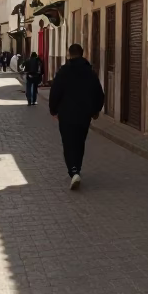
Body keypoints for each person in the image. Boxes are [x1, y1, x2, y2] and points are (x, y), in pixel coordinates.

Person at [48, 43, 105, 191]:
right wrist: (95, 110)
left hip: (66, 114)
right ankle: (77, 169)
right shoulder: (90, 72)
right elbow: (99, 93)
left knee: (68, 143)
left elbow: (55, 92)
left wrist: (53, 110)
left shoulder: (63, 72)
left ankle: (73, 171)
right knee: (80, 142)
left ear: (69, 54)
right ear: (82, 53)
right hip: (84, 115)